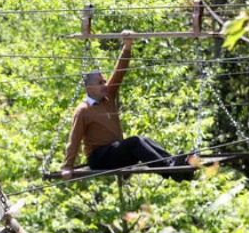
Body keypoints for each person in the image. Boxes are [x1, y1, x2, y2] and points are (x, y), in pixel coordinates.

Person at [60, 32, 182, 180]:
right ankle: (169, 169)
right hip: (100, 159)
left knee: (144, 140)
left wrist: (127, 46)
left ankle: (175, 165)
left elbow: (119, 73)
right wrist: (67, 166)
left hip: (116, 152)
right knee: (136, 141)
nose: (105, 85)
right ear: (89, 88)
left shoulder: (108, 98)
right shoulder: (83, 110)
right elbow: (74, 139)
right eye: (100, 83)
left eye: (105, 81)